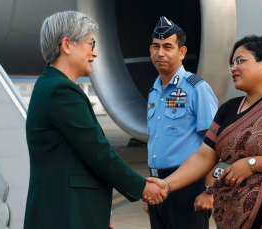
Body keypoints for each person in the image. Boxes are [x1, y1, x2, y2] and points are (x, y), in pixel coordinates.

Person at [149, 35, 262, 228]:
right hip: (233, 217)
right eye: (231, 63)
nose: (233, 68)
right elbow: (204, 156)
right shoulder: (228, 109)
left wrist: (253, 164)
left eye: (240, 61)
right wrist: (167, 184)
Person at [24, 11, 166, 229]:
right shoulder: (61, 91)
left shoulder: (50, 86)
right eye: (90, 44)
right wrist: (141, 187)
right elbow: (98, 152)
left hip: (68, 213)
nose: (94, 53)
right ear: (67, 45)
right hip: (66, 215)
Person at [146, 16, 218, 229]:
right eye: (155, 47)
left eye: (168, 46)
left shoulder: (196, 88)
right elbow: (155, 140)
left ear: (182, 52)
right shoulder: (154, 91)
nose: (160, 53)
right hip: (157, 187)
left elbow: (214, 145)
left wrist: (209, 191)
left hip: (188, 187)